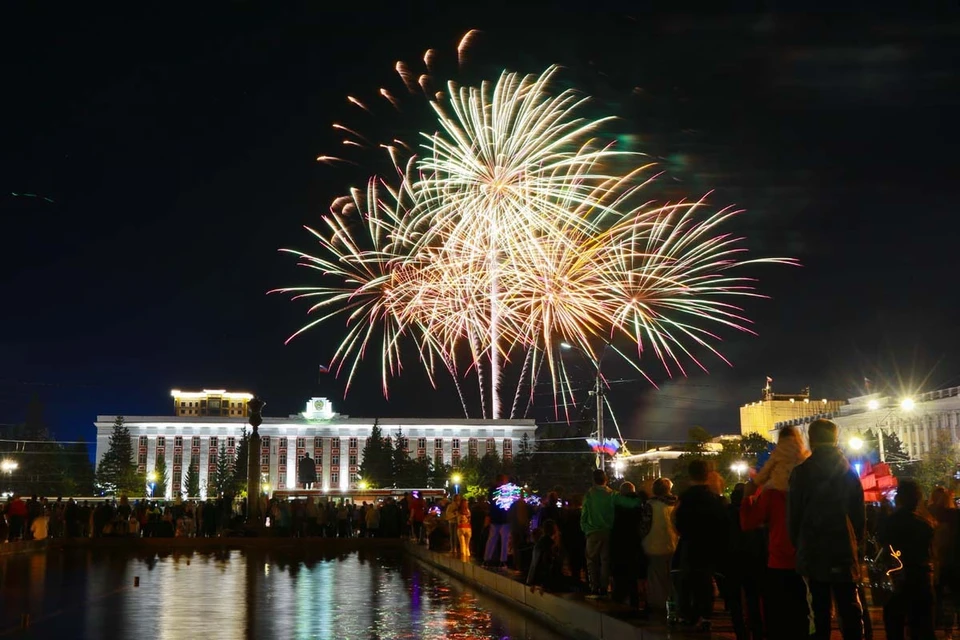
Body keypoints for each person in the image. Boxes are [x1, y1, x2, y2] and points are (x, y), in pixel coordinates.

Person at [788, 418, 866, 640]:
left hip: (814, 551)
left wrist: (800, 545)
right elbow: (859, 517)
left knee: (819, 612)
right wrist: (856, 547)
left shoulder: (801, 473)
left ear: (811, 440)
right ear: (836, 438)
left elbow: (794, 517)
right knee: (850, 608)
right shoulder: (850, 473)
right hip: (844, 551)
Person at [741, 425, 811, 640]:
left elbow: (748, 523)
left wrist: (747, 497)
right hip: (810, 556)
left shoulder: (772, 493)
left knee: (779, 612)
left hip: (780, 558)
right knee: (807, 612)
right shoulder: (812, 482)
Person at [674, 459, 729, 631]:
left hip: (690, 543)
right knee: (706, 580)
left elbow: (677, 520)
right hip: (710, 544)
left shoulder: (685, 498)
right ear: (707, 475)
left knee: (687, 580)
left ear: (690, 475)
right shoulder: (715, 499)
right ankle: (706, 614)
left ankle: (688, 615)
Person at [879, 478, 936, 640]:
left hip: (897, 577)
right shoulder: (924, 524)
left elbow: (883, 544)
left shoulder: (889, 523)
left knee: (894, 625)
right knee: (922, 627)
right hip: (920, 577)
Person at [580, 469, 642, 598]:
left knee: (591, 561)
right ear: (606, 480)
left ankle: (594, 587)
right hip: (608, 531)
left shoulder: (589, 495)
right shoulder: (612, 495)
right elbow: (631, 504)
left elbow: (584, 514)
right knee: (605, 561)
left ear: (593, 480)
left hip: (592, 532)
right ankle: (604, 587)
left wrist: (585, 528)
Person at [641, 477, 678, 611]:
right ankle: (674, 604)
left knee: (656, 578)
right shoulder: (676, 504)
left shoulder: (650, 505)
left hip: (654, 545)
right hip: (674, 545)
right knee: (672, 579)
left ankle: (659, 605)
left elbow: (644, 527)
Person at [611, 481, 645, 612]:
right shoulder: (640, 504)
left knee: (620, 572)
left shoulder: (615, 504)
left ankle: (619, 598)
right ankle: (634, 601)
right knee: (633, 574)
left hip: (619, 542)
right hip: (635, 542)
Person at [484, 476, 513, 568]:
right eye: (505, 480)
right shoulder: (505, 491)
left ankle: (487, 560)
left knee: (492, 539)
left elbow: (491, 504)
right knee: (504, 540)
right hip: (504, 519)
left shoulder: (492, 490)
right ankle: (502, 561)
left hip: (495, 518)